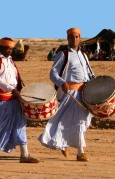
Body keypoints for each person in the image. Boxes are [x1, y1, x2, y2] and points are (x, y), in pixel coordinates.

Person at [39, 27, 95, 162]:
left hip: (84, 94)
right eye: (71, 37)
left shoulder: (84, 55)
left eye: (77, 37)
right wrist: (61, 82)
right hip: (70, 94)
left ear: (80, 38)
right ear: (68, 39)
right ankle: (81, 152)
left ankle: (63, 143)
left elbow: (90, 73)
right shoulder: (63, 54)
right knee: (77, 122)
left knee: (81, 121)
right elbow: (53, 73)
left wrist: (97, 83)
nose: (74, 39)